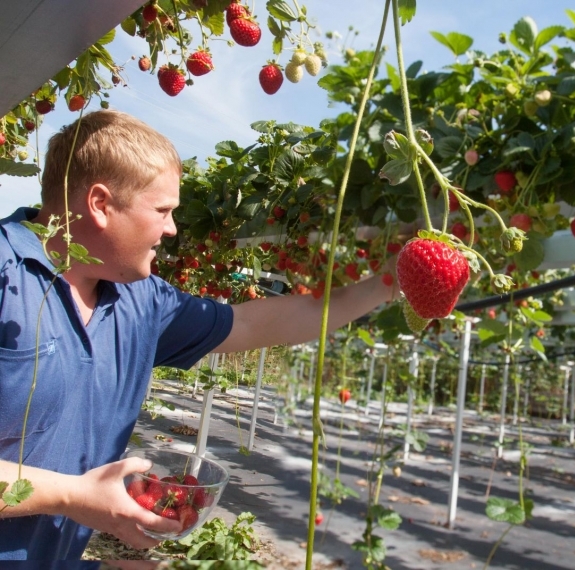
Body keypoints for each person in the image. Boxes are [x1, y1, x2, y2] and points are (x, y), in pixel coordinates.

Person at [0, 110, 397, 560]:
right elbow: (74, 495)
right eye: (163, 210)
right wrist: (74, 496)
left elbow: (251, 323)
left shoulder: (140, 301)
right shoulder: (6, 277)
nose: (172, 228)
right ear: (100, 204)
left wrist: (388, 283)